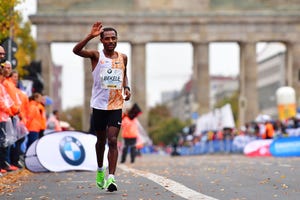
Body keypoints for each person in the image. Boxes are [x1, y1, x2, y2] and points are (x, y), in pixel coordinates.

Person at [73, 21, 131, 192]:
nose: (111, 41)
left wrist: (126, 87)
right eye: (107, 39)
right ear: (102, 40)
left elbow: (124, 75)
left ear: (117, 39)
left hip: (116, 104)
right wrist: (89, 36)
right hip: (99, 105)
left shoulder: (123, 57)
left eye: (114, 38)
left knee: (113, 140)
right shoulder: (96, 56)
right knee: (101, 141)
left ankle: (111, 178)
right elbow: (76, 51)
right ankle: (100, 170)